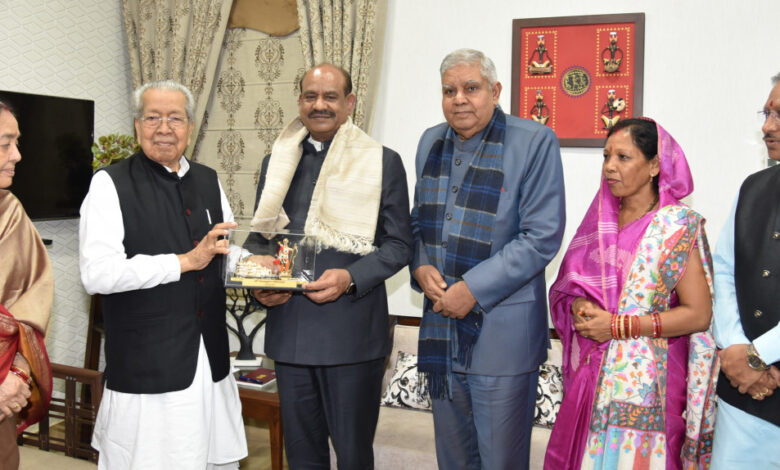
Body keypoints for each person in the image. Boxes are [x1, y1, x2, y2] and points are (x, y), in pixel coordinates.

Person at [249, 63, 412, 469]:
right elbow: (259, 239)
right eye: (310, 96)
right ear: (300, 101)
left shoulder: (382, 162)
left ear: (350, 102)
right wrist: (257, 280)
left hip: (352, 335)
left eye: (330, 96)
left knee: (354, 456)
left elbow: (398, 246)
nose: (319, 105)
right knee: (302, 457)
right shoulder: (277, 162)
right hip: (290, 333)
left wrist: (351, 278)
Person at [410, 48, 565, 470]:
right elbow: (418, 221)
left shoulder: (533, 141)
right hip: (441, 333)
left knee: (500, 462)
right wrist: (421, 264)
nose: (459, 98)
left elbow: (541, 236)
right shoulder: (430, 141)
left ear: (495, 92)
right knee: (454, 461)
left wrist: (472, 290)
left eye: (471, 88)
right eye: (449, 90)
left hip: (503, 340)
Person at [79, 80, 246, 470]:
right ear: (137, 126)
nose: (164, 128)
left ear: (190, 127)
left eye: (175, 118)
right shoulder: (109, 184)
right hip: (148, 368)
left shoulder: (208, 179)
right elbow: (97, 275)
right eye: (153, 117)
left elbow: (218, 248)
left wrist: (260, 268)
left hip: (210, 360)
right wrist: (183, 262)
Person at [544, 117, 718, 469]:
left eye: (623, 157)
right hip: (592, 379)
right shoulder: (600, 220)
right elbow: (573, 283)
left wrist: (618, 326)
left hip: (650, 387)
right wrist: (579, 304)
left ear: (654, 165)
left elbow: (698, 314)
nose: (609, 167)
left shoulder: (675, 227)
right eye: (606, 156)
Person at [711, 73, 780, 468]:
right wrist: (736, 348)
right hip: (743, 393)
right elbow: (724, 269)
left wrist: (759, 356)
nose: (767, 126)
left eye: (779, 115)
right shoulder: (753, 187)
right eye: (767, 112)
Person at [0, 101, 53, 470]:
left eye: (16, 142)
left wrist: (16, 375)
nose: (17, 155)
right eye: (5, 143)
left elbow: (30, 303)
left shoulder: (10, 212)